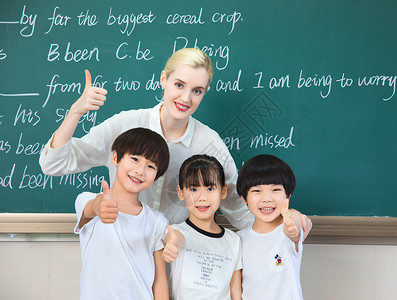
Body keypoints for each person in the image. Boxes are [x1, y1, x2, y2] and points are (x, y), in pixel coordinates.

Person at [39, 47, 312, 234]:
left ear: (204, 93)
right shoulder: (126, 125)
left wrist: (287, 221)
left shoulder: (209, 144)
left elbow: (239, 211)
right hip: (123, 247)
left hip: (178, 255)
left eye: (197, 91)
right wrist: (75, 112)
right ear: (163, 79)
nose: (185, 99)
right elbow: (54, 164)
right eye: (179, 85)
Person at [74, 127, 170, 299]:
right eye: (134, 159)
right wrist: (99, 207)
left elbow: (160, 279)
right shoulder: (87, 200)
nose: (140, 171)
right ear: (116, 157)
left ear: (156, 176)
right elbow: (91, 208)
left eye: (150, 166)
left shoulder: (156, 221)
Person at [162, 155, 242, 300]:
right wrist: (171, 245)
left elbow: (235, 292)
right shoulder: (177, 231)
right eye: (193, 189)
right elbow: (175, 239)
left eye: (210, 188)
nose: (202, 197)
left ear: (223, 191)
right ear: (180, 192)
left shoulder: (234, 241)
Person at [236, 154, 305, 300]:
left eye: (276, 190)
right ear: (244, 198)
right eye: (256, 191)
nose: (267, 198)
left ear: (288, 195)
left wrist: (293, 225)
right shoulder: (238, 240)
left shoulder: (287, 232)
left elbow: (295, 224)